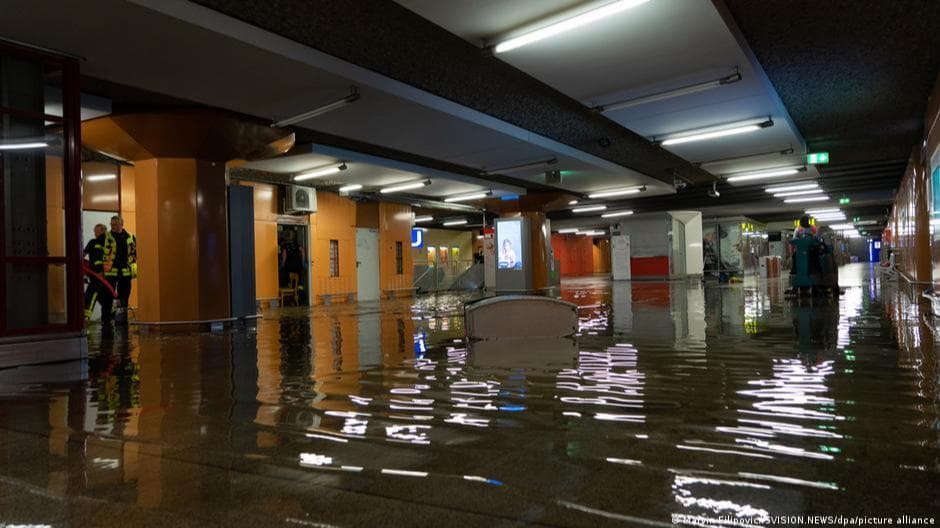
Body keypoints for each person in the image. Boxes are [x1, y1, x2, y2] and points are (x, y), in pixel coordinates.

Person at [103, 215, 137, 325]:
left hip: (125, 273)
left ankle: (121, 321)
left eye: (115, 225)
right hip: (110, 273)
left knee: (124, 298)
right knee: (108, 297)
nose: (113, 227)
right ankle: (106, 321)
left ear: (122, 224)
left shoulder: (131, 237)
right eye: (111, 224)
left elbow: (136, 253)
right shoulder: (106, 237)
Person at [83, 224, 109, 320]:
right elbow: (82, 255)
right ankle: (112, 314)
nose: (94, 233)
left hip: (99, 276)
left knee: (91, 295)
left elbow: (81, 255)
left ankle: (86, 318)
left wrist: (102, 273)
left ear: (102, 230)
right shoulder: (108, 243)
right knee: (102, 297)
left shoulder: (97, 243)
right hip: (98, 276)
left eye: (96, 231)